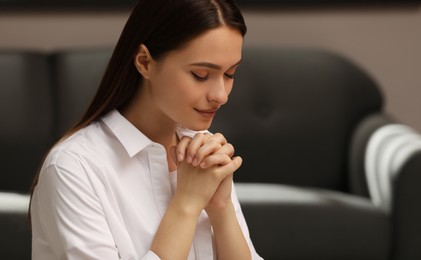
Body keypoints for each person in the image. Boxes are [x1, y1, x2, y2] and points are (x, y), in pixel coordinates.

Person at [30, 0, 262, 259]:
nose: (221, 95)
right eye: (200, 75)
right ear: (144, 62)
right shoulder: (73, 167)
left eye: (230, 74)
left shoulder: (204, 149)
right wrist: (186, 204)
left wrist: (221, 209)